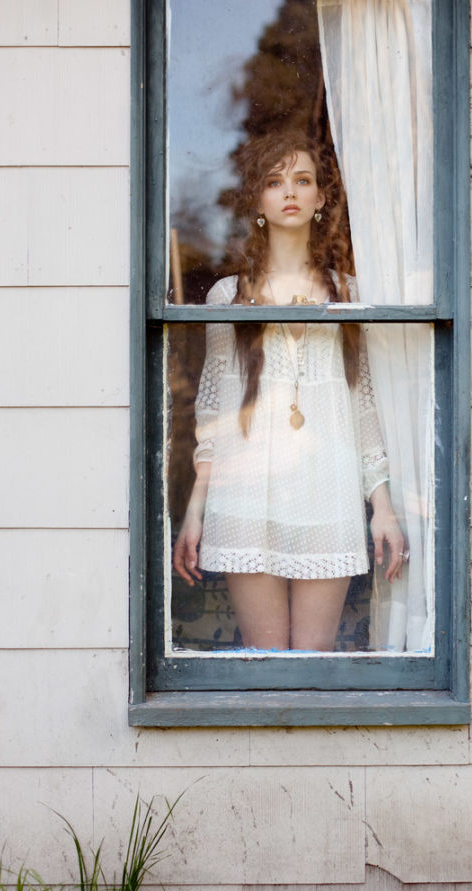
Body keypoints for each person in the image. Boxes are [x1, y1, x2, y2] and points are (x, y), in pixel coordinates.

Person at [172, 131, 406, 651]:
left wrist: (382, 506)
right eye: (275, 182)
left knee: (313, 667)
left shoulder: (349, 293)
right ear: (258, 199)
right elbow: (213, 413)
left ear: (321, 198)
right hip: (247, 500)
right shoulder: (227, 296)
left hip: (329, 494)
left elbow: (362, 403)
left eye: (302, 180)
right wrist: (195, 510)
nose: (290, 191)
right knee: (267, 668)